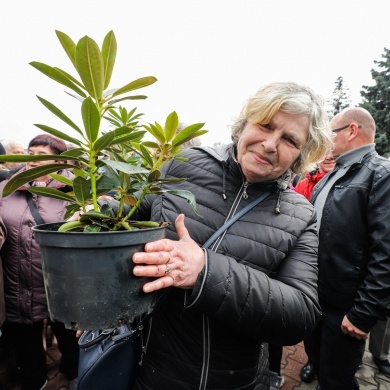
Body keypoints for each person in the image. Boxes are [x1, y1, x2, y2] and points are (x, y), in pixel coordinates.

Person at [129, 82, 333, 389]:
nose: (269, 144)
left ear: (300, 155)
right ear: (244, 124)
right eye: (265, 125)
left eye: (289, 139)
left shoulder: (301, 215)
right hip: (151, 369)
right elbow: (127, 223)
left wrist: (205, 271)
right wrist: (97, 213)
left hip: (235, 380)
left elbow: (300, 314)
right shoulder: (185, 165)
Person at [305, 107, 390, 389]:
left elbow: (386, 252)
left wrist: (363, 314)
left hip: (344, 308)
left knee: (336, 379)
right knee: (319, 361)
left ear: (352, 131)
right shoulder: (335, 171)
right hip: (316, 296)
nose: (327, 140)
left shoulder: (381, 174)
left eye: (332, 133)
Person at [0, 134, 79, 390]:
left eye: (41, 156)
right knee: (27, 357)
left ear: (59, 162)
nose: (32, 161)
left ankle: (71, 376)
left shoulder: (77, 192)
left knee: (72, 347)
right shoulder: (5, 189)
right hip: (17, 290)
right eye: (29, 154)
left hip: (62, 290)